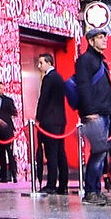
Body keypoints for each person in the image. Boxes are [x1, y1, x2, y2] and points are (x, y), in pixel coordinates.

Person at [71, 29, 111, 204]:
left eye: (105, 36)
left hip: (104, 112)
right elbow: (83, 86)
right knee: (98, 153)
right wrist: (89, 112)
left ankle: (96, 190)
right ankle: (90, 191)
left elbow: (109, 90)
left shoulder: (101, 62)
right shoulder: (85, 61)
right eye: (100, 37)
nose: (104, 40)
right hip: (94, 113)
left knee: (101, 154)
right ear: (90, 41)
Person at [34, 52, 72, 194]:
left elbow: (43, 99)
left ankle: (51, 184)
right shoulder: (59, 77)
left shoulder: (49, 78)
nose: (39, 66)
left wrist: (38, 116)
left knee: (52, 152)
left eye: (41, 63)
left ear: (49, 63)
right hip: (60, 120)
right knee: (60, 151)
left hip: (50, 120)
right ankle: (63, 184)